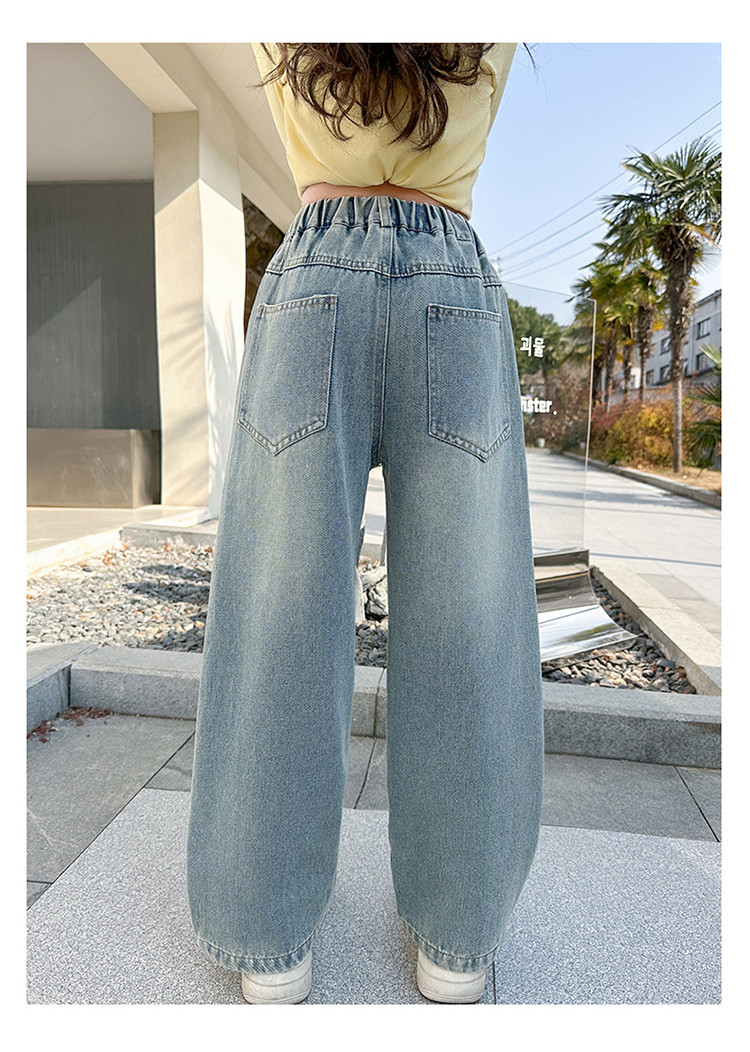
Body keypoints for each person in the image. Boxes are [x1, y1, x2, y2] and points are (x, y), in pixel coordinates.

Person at [186, 42, 544, 1005]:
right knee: (467, 621)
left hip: (315, 280)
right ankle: (457, 945)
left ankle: (269, 943)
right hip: (451, 282)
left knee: (280, 617)